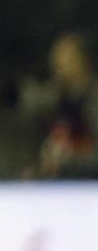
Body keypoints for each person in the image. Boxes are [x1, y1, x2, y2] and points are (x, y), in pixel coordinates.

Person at [16, 32, 98, 178]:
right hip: (59, 181)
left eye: (66, 58)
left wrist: (70, 159)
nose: (59, 65)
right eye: (56, 58)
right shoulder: (53, 96)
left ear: (83, 60)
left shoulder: (92, 97)